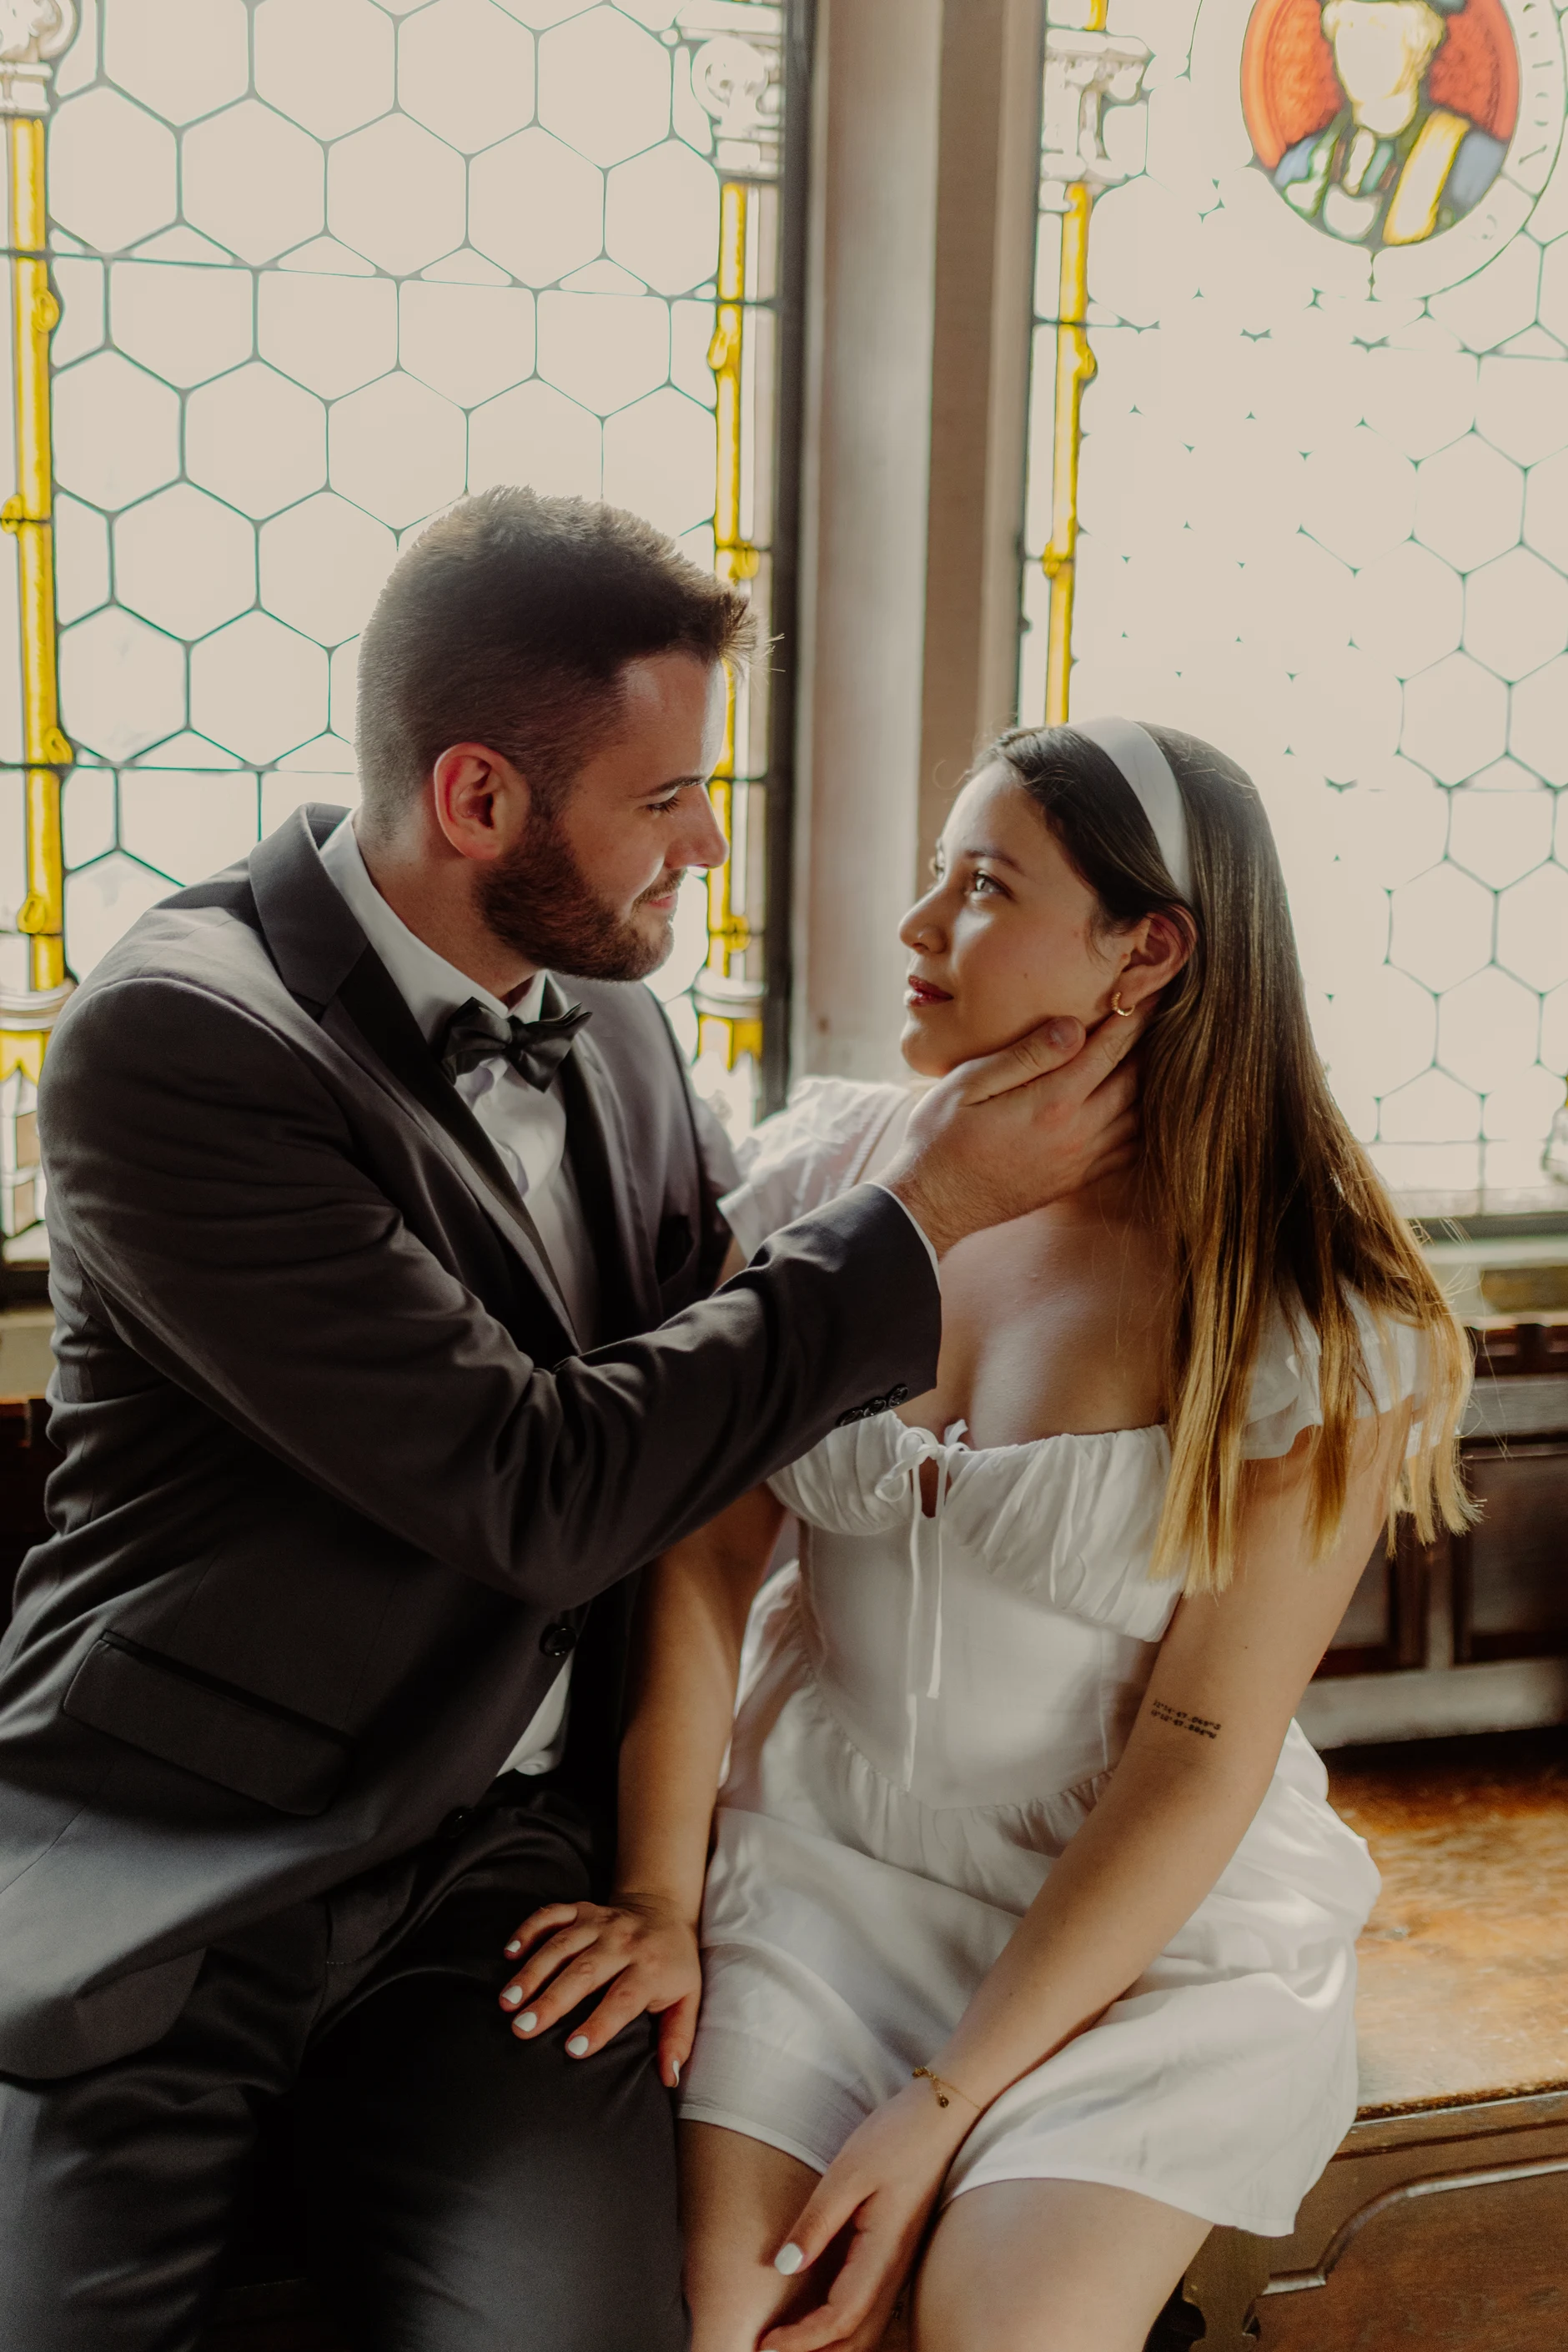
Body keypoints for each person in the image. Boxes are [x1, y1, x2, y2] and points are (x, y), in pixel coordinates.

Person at [0, 493, 1143, 2352]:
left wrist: (650, 1875)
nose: (706, 841)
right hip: (171, 1866)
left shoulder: (612, 1024)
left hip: (503, 1886)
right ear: (477, 803)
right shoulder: (173, 1045)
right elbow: (534, 1485)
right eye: (665, 798)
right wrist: (921, 1210)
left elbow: (707, 1420)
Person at [502, 716, 1471, 2352]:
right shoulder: (825, 1178)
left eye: (980, 887)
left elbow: (1193, 1754)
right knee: (734, 2323)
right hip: (820, 1867)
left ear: (1143, 951)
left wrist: (940, 2106)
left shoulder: (1310, 1310)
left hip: (1138, 1929)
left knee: (1002, 2328)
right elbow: (707, 1562)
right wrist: (663, 1897)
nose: (916, 925)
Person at [1273, 0, 1505, 249]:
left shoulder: (1472, 164)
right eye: (1349, 25)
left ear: (1419, 43)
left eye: (1378, 27)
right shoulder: (1300, 165)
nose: (1358, 46)